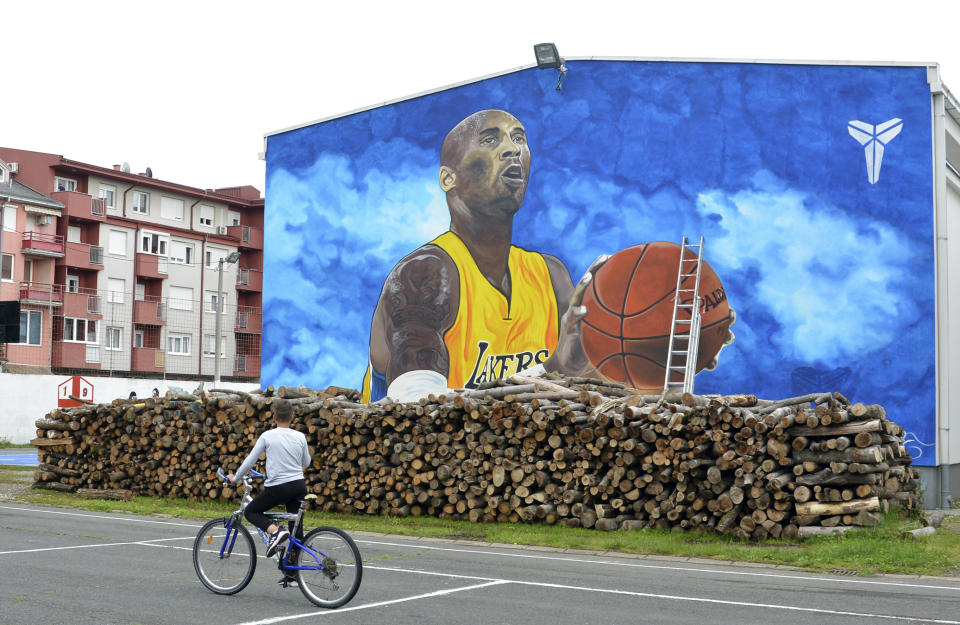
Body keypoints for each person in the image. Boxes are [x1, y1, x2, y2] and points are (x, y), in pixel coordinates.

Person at [360, 109, 602, 403]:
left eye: (519, 139)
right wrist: (550, 371)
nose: (512, 149)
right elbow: (416, 408)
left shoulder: (550, 275)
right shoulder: (424, 273)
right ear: (449, 178)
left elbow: (596, 399)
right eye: (490, 140)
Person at [229, 398, 311, 582]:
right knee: (295, 529)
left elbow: (250, 461)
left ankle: (274, 531)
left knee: (251, 511)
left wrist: (235, 477)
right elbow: (306, 463)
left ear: (274, 417)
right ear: (292, 417)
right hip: (298, 485)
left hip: (278, 487)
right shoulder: (300, 437)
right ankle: (291, 572)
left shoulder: (267, 436)